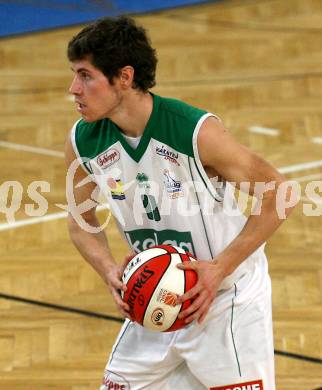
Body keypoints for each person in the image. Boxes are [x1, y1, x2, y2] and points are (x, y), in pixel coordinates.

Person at [65, 16, 293, 390]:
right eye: (75, 75)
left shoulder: (194, 132)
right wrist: (109, 269)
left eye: (86, 75)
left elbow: (280, 195)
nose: (74, 88)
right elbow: (80, 224)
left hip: (224, 298)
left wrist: (219, 268)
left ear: (124, 76)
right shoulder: (83, 141)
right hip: (155, 296)